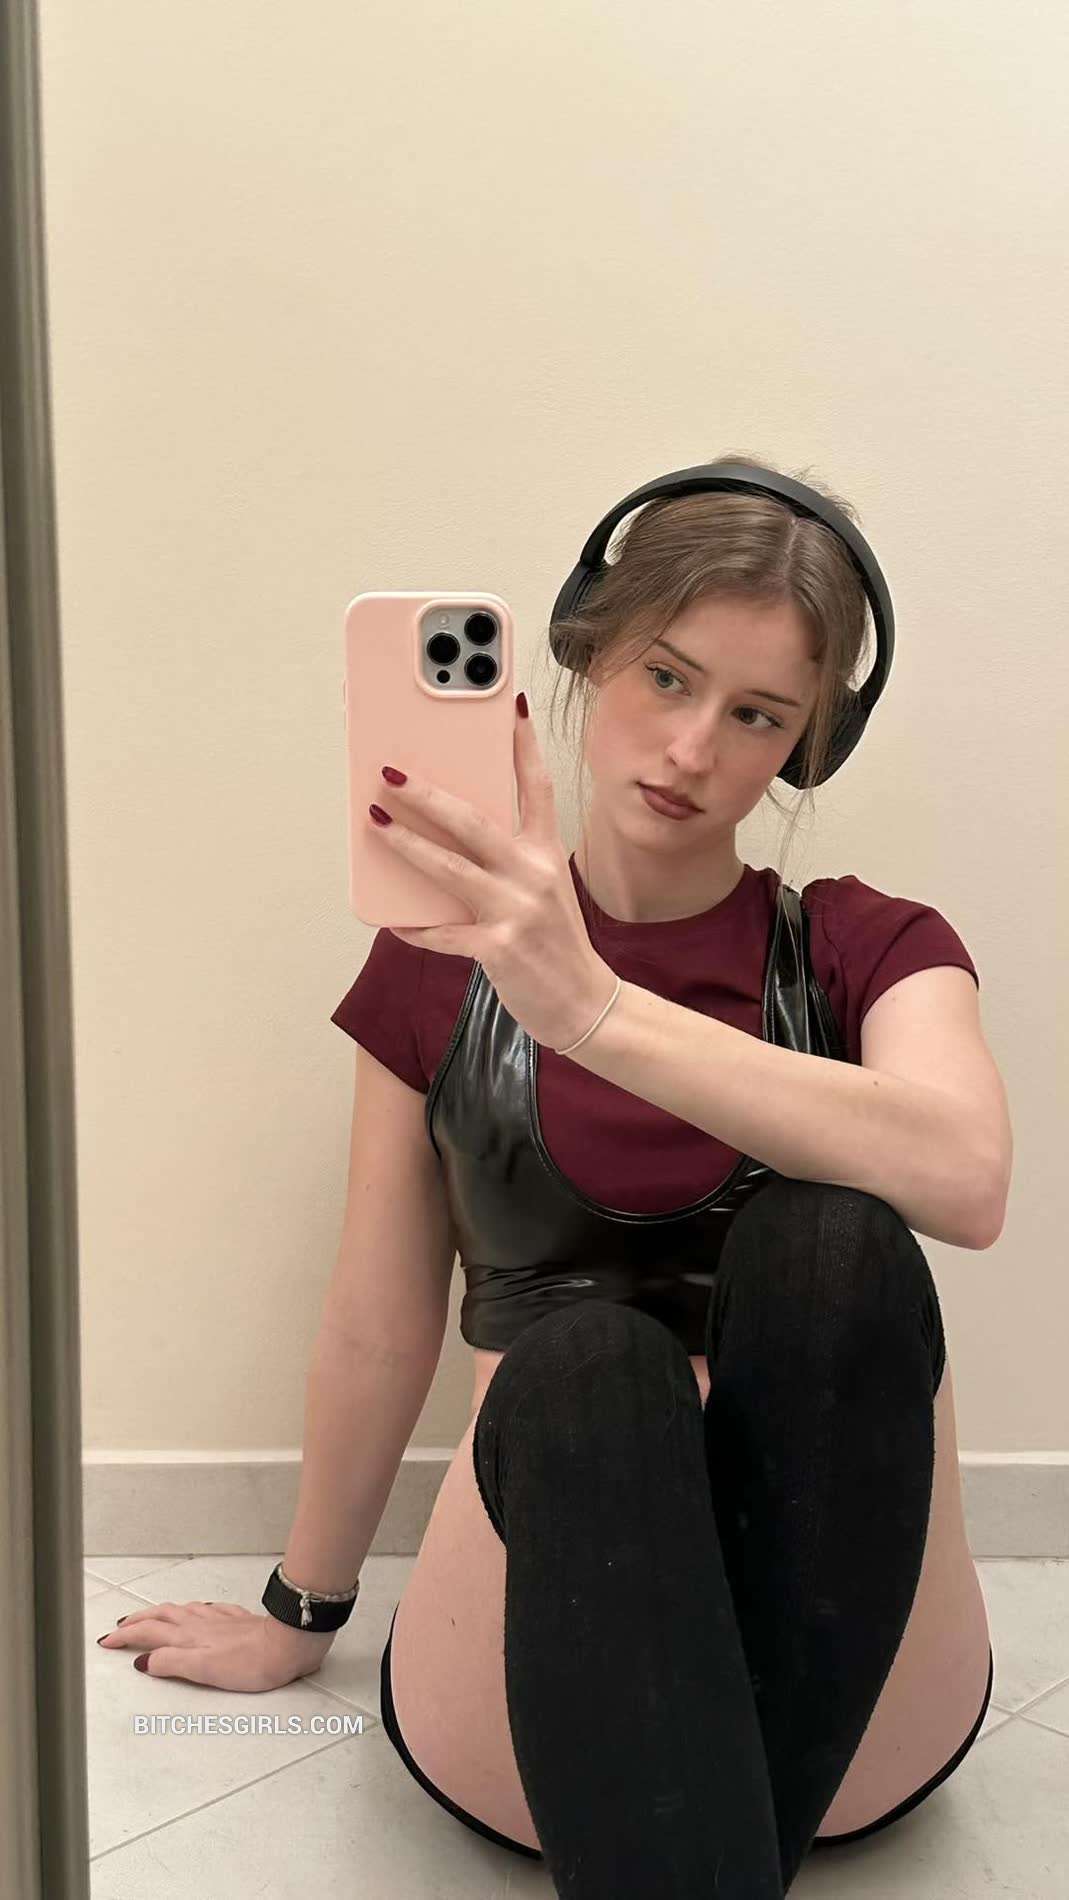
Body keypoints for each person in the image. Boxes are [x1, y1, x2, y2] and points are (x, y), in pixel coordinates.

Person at [100, 477, 1002, 1898]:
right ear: (584, 657)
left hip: (855, 1666)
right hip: (547, 1619)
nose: (692, 748)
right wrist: (298, 1610)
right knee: (588, 1363)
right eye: (666, 678)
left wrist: (589, 1008)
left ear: (804, 748)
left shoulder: (864, 944)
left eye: (757, 716)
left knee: (834, 1242)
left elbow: (966, 1179)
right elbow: (378, 1318)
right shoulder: (432, 961)